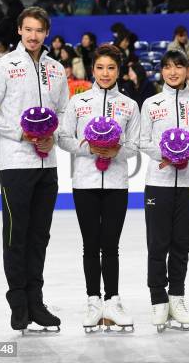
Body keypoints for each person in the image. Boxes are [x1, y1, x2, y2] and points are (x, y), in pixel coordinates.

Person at [0, 7, 69, 332]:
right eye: (28, 29)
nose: (33, 36)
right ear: (19, 30)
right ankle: (18, 304)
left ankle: (36, 302)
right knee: (17, 236)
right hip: (16, 163)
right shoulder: (4, 66)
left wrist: (52, 138)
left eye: (39, 30)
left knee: (39, 237)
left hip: (47, 165)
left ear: (46, 33)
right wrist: (20, 132)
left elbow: (64, 114)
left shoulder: (56, 69)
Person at [58, 44, 140, 332]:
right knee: (91, 244)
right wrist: (89, 149)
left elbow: (133, 145)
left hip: (117, 183)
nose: (105, 73)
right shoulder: (78, 102)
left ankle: (113, 301)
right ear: (92, 69)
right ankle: (93, 301)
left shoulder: (130, 105)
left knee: (111, 245)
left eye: (111, 68)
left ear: (118, 71)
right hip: (85, 183)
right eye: (100, 68)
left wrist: (116, 151)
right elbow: (64, 138)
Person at [140, 49, 189, 332]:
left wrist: (187, 153)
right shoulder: (151, 103)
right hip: (159, 182)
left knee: (182, 243)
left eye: (178, 67)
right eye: (168, 67)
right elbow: (141, 141)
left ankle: (177, 297)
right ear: (161, 71)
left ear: (187, 70)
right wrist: (165, 154)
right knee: (158, 244)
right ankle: (158, 299)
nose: (173, 72)